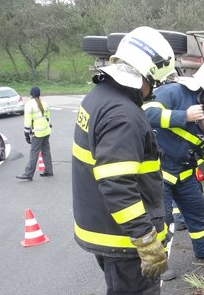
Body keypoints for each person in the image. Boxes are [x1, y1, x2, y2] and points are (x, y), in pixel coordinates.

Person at [71, 26, 174, 294]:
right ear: (147, 74)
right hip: (124, 241)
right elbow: (117, 184)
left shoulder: (99, 97)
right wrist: (146, 239)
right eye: (155, 83)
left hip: (106, 227)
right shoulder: (123, 116)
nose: (152, 91)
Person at [143, 59, 204, 267]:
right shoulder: (174, 92)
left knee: (198, 214)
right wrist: (183, 115)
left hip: (186, 173)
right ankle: (159, 265)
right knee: (161, 221)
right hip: (160, 172)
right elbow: (146, 114)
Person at [16, 86, 53, 181]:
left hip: (37, 132)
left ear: (31, 94)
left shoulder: (29, 104)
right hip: (46, 130)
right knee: (46, 151)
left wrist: (26, 133)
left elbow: (27, 121)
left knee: (34, 153)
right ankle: (49, 170)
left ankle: (28, 173)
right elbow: (48, 116)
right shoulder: (44, 102)